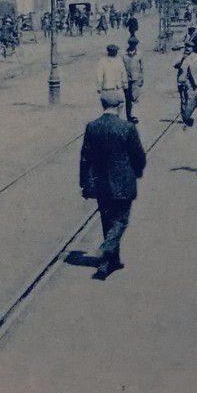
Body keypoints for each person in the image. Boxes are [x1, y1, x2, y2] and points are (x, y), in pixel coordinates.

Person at [78, 91, 147, 280]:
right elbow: (139, 156)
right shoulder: (127, 128)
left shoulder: (92, 127)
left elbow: (85, 158)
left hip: (101, 185)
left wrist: (84, 183)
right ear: (119, 106)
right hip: (124, 184)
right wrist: (138, 171)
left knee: (107, 220)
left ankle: (110, 262)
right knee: (121, 220)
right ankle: (107, 250)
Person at [96, 43, 128, 108]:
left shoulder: (119, 60)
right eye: (115, 51)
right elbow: (99, 75)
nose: (116, 52)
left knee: (117, 109)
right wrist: (99, 86)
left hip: (117, 89)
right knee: (111, 111)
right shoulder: (103, 61)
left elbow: (123, 73)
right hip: (108, 89)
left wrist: (125, 83)